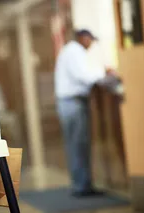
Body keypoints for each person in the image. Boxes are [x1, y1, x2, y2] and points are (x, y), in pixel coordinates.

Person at [55, 29, 117, 197]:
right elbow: (85, 76)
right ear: (83, 38)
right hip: (73, 103)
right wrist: (105, 73)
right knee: (79, 145)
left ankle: (81, 184)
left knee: (75, 145)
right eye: (90, 40)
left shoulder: (69, 50)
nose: (91, 44)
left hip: (68, 103)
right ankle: (82, 186)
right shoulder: (75, 51)